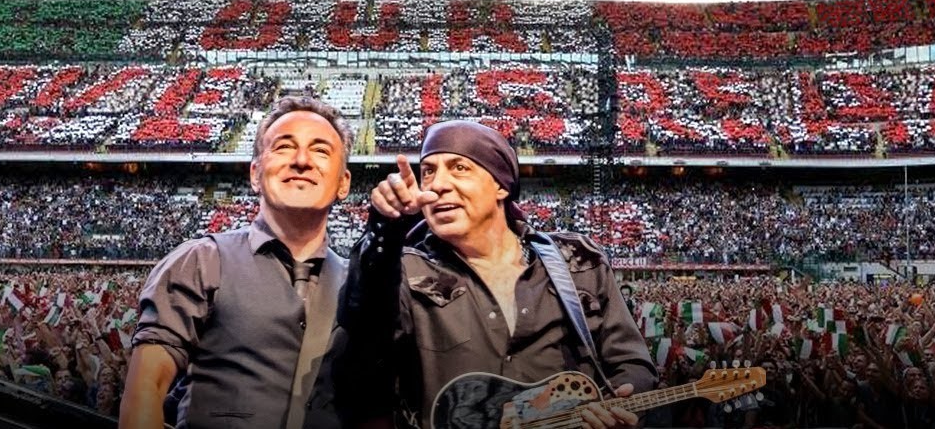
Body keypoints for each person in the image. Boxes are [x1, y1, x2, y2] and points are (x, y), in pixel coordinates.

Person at [337, 120, 655, 429]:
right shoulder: (406, 270)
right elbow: (362, 328)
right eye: (428, 171)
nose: (437, 184)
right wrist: (384, 228)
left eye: (459, 168)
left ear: (501, 185)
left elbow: (633, 364)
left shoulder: (578, 260)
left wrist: (619, 407)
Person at [120, 96, 354, 429]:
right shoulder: (201, 261)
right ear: (255, 174)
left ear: (343, 182)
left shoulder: (360, 284)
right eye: (284, 147)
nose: (302, 160)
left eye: (320, 150)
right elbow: (146, 388)